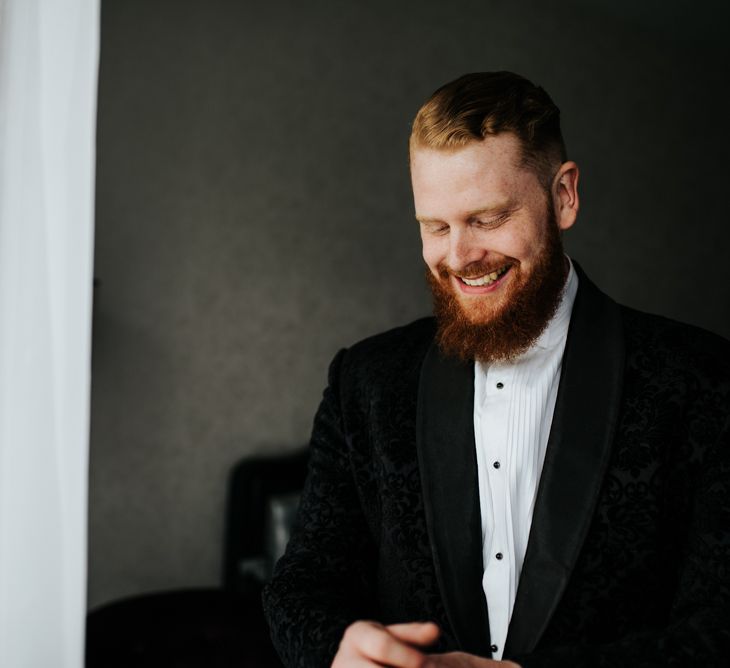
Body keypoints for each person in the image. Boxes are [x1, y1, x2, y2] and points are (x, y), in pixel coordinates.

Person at [262, 72, 730, 667]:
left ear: (563, 197)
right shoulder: (366, 382)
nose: (458, 257)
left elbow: (718, 630)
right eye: (435, 226)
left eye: (486, 219)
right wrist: (336, 648)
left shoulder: (704, 380)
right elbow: (301, 584)